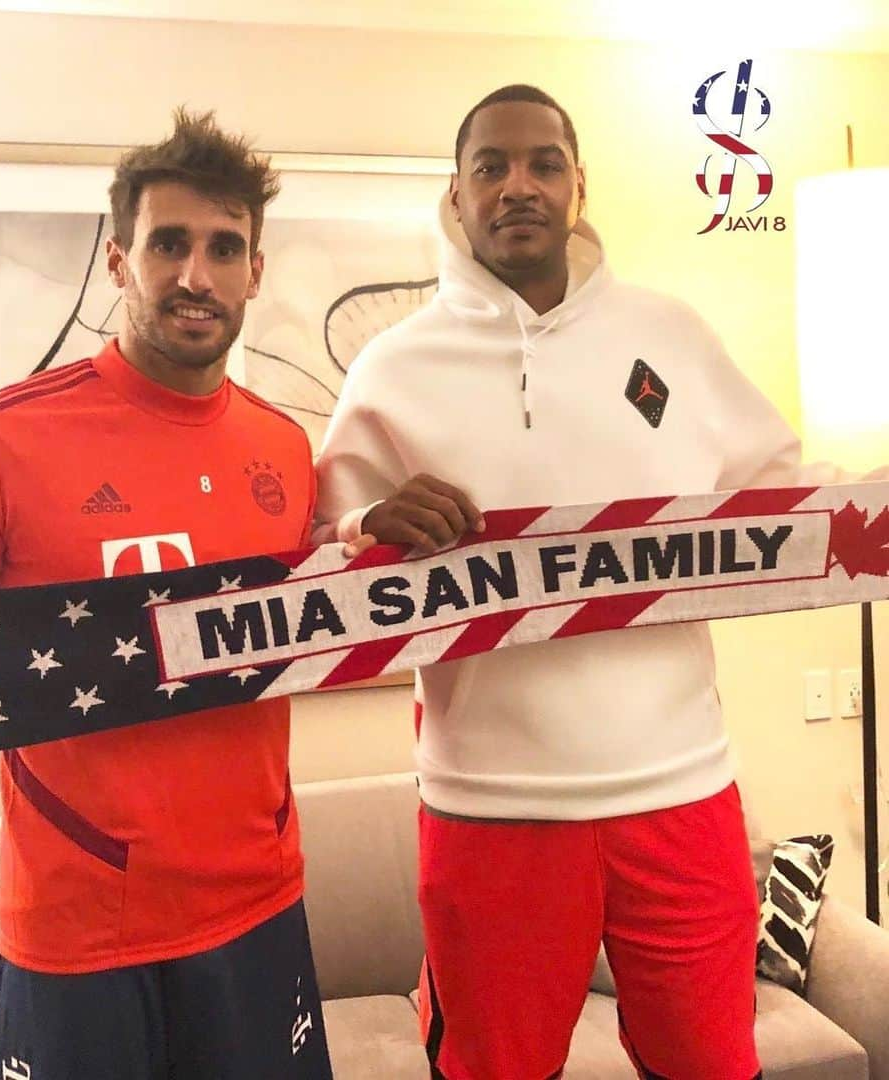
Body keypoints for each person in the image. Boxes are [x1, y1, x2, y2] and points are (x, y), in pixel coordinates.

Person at [314, 84, 878, 1080]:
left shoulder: (672, 334)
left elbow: (779, 504)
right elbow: (320, 563)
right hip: (489, 812)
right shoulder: (391, 369)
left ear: (581, 184)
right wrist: (367, 524)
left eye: (543, 163)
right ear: (456, 192)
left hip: (683, 789)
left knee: (711, 1064)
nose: (518, 185)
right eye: (491, 165)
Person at [0, 109, 335, 1080]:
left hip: (259, 905)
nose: (195, 274)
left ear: (256, 271)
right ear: (119, 261)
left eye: (225, 248)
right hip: (79, 932)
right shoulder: (1, 438)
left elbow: (314, 613)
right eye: (168, 243)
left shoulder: (285, 447)